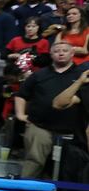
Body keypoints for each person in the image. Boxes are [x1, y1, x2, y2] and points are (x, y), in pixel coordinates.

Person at [15, 42, 85, 179]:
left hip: (72, 131)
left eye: (65, 50)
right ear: (51, 55)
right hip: (40, 126)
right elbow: (22, 95)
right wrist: (20, 114)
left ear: (72, 54)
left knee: (69, 167)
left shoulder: (82, 75)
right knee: (34, 162)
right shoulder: (38, 75)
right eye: (57, 51)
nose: (61, 53)